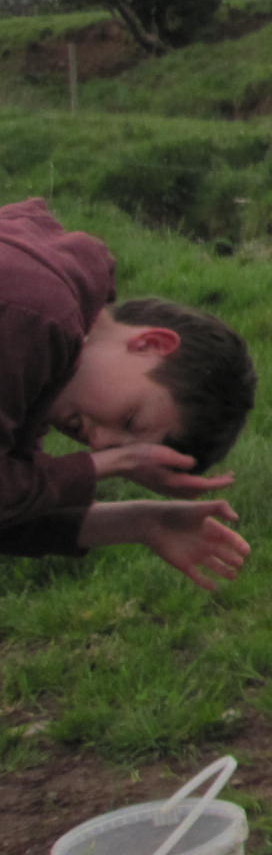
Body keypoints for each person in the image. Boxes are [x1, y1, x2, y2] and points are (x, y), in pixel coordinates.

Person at [1, 198, 253, 589]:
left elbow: (10, 504)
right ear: (150, 343)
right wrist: (110, 464)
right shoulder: (33, 313)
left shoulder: (38, 358)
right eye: (130, 420)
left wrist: (141, 522)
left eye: (114, 446)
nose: (99, 443)